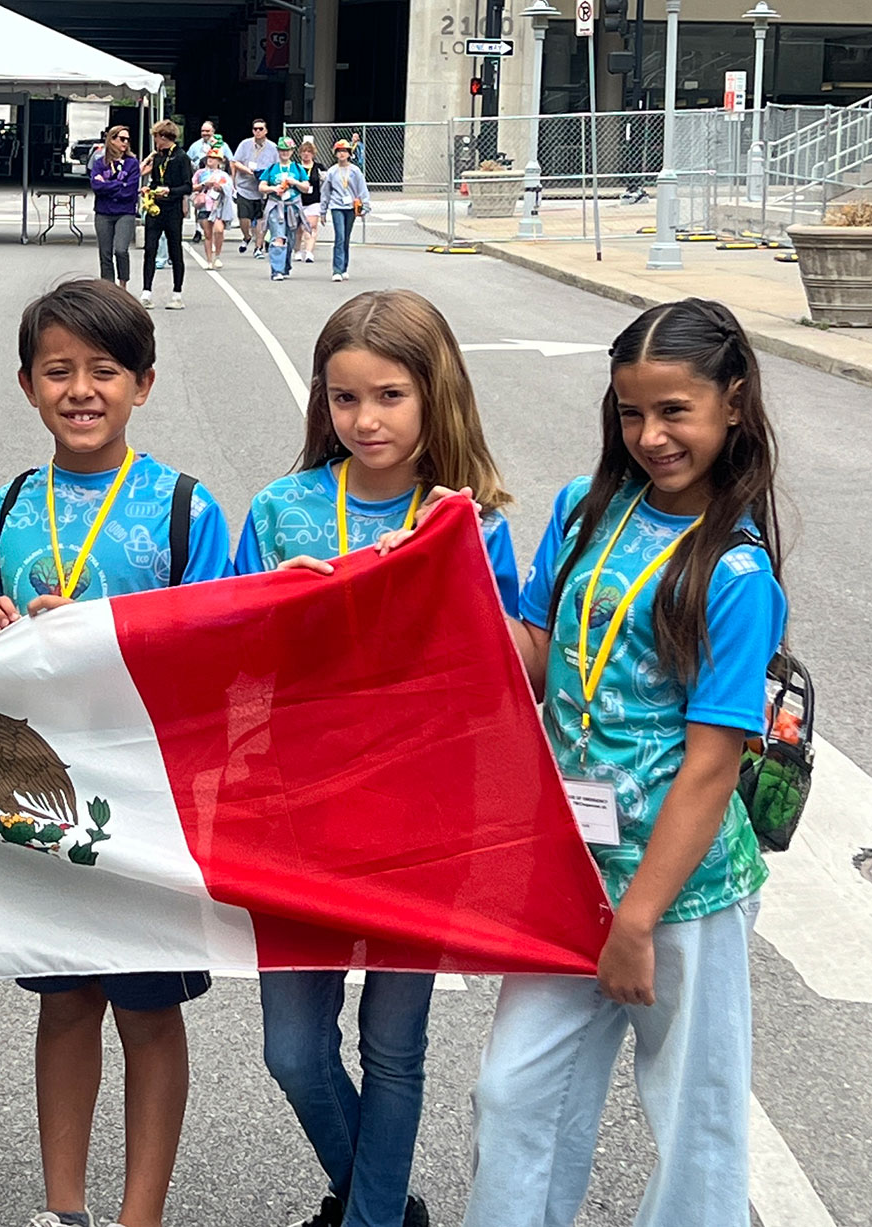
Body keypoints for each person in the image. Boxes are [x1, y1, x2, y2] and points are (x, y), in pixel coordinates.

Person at [462, 299, 786, 1227]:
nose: (651, 436)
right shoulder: (585, 507)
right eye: (632, 411)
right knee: (513, 1094)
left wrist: (637, 920)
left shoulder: (735, 573)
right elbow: (536, 658)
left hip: (679, 894)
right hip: (570, 869)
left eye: (675, 411)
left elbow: (711, 766)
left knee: (693, 1119)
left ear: (733, 403)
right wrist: (447, 571)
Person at [0, 280, 231, 1227]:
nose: (80, 390)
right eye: (57, 370)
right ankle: (63, 1208)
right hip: (40, 796)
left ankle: (139, 1215)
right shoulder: (8, 504)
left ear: (143, 383)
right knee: (64, 1002)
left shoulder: (186, 506)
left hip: (146, 798)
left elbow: (217, 650)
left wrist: (103, 631)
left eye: (104, 370)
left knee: (148, 1011)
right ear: (27, 385)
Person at [232, 288, 518, 1227]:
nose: (366, 419)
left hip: (423, 815)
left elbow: (507, 671)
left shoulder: (468, 520)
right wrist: (275, 605)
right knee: (293, 1050)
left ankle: (370, 1217)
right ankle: (383, 1203)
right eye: (345, 397)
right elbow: (228, 655)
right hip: (298, 815)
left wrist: (447, 579)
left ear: (435, 394)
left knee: (394, 1047)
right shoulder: (281, 509)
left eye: (390, 396)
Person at [139, 120, 192, 310]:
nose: (155, 141)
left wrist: (170, 191)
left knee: (174, 249)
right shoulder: (158, 157)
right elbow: (155, 180)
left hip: (173, 209)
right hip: (156, 207)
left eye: (156, 137)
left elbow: (188, 186)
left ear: (163, 137)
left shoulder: (181, 157)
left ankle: (177, 293)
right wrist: (149, 188)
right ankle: (146, 292)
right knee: (150, 249)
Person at [88, 125, 140, 290]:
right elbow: (96, 186)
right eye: (122, 139)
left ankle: (123, 285)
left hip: (125, 212)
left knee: (121, 250)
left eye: (127, 140)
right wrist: (119, 184)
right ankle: (108, 287)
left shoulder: (132, 163)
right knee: (105, 253)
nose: (125, 142)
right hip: (103, 212)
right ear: (111, 140)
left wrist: (108, 185)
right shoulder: (100, 163)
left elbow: (130, 191)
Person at [321, 139, 372, 282]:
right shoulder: (332, 171)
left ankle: (344, 268)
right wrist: (323, 211)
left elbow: (362, 189)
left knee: (346, 238)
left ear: (349, 153)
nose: (342, 154)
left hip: (351, 207)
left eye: (344, 151)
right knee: (340, 236)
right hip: (336, 206)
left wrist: (365, 205)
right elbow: (325, 192)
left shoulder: (355, 171)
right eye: (339, 151)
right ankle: (337, 269)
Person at [259, 136, 305, 282]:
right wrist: (273, 188)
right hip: (275, 206)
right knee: (278, 237)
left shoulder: (298, 168)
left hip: (292, 208)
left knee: (290, 239)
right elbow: (261, 186)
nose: (285, 153)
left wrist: (295, 182)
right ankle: (276, 270)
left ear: (292, 151)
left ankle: (285, 266)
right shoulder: (272, 168)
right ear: (278, 151)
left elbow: (306, 187)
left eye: (287, 150)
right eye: (282, 150)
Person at [231, 119, 276, 257]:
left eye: (260, 129)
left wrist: (267, 177)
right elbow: (235, 162)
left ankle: (258, 247)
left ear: (266, 131)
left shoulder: (273, 148)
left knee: (261, 219)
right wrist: (247, 171)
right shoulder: (245, 144)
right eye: (255, 129)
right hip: (244, 187)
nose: (258, 131)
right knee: (243, 217)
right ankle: (247, 236)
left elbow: (276, 167)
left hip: (262, 189)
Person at [192, 146, 236, 269]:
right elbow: (191, 186)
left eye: (214, 158)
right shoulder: (200, 173)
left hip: (218, 207)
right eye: (209, 157)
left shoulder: (223, 175)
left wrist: (220, 188)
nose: (210, 160)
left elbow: (231, 190)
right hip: (204, 206)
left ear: (219, 161)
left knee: (219, 230)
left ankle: (217, 255)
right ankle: (209, 260)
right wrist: (204, 185)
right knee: (207, 234)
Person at [295, 137, 324, 265]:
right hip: (298, 200)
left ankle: (309, 252)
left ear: (313, 154)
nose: (306, 154)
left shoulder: (319, 167)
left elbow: (325, 182)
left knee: (311, 226)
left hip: (314, 200)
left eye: (309, 152)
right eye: (304, 151)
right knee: (298, 228)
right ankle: (297, 250)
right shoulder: (296, 167)